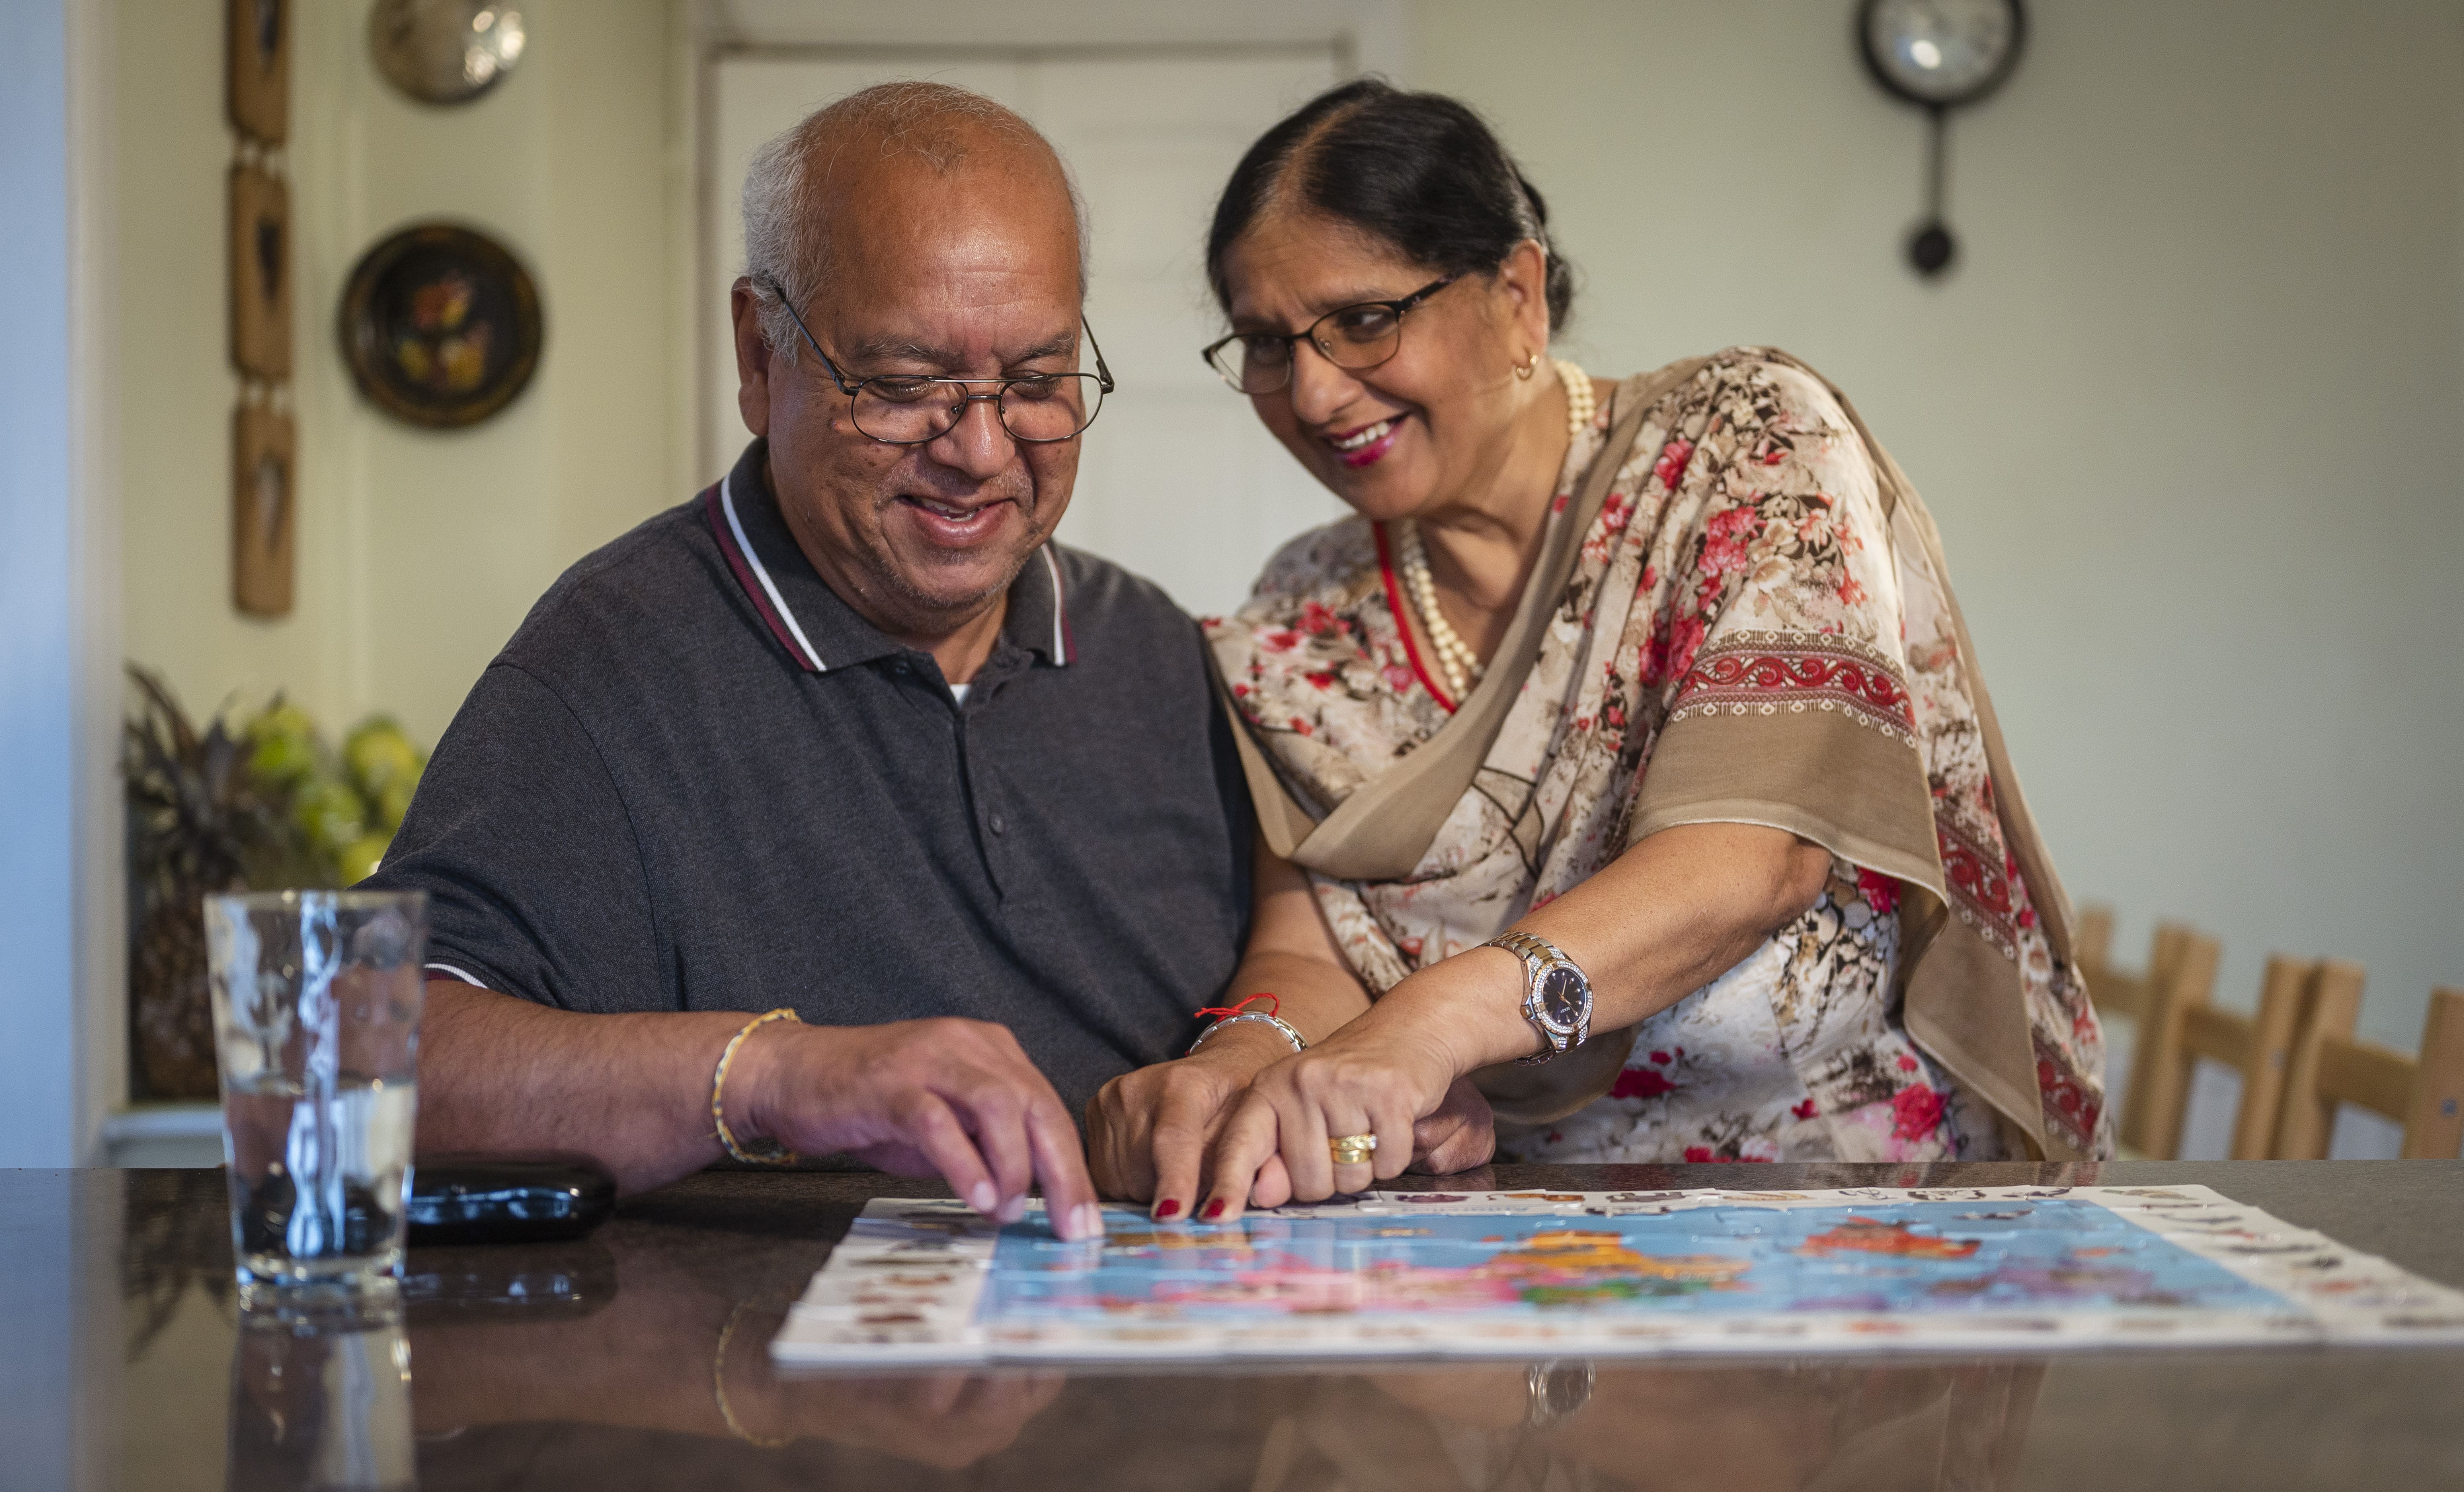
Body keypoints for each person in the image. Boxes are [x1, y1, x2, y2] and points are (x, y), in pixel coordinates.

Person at [1086, 81, 2111, 1219]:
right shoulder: (1301, 617)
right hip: (1510, 1258)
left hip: (1849, 1235)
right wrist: (1239, 1071)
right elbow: (1310, 949)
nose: (1315, 393)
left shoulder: (1742, 448)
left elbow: (1748, 862)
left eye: (1364, 319)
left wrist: (1422, 1030)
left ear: (1516, 295)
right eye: (1268, 346)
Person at [373, 83, 1257, 1238]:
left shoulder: (1151, 648)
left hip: (1148, 1364)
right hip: (763, 1390)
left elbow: (1289, 967)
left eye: (1037, 383)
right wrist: (776, 1078)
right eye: (900, 385)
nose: (980, 451)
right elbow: (371, 1060)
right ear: (759, 352)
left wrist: (1290, 1071)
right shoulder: (614, 660)